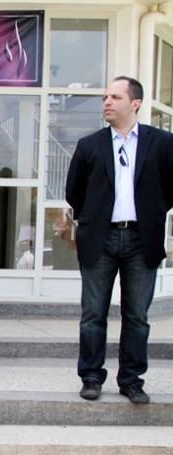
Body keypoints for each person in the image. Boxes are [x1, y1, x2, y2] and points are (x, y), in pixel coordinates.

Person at [66, 76, 173, 404]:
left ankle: (131, 380)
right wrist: (95, 218)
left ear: (135, 103)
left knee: (137, 315)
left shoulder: (163, 143)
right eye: (104, 97)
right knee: (93, 314)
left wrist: (152, 214)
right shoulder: (90, 145)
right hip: (101, 239)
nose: (106, 102)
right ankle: (91, 377)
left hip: (143, 239)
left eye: (114, 97)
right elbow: (75, 193)